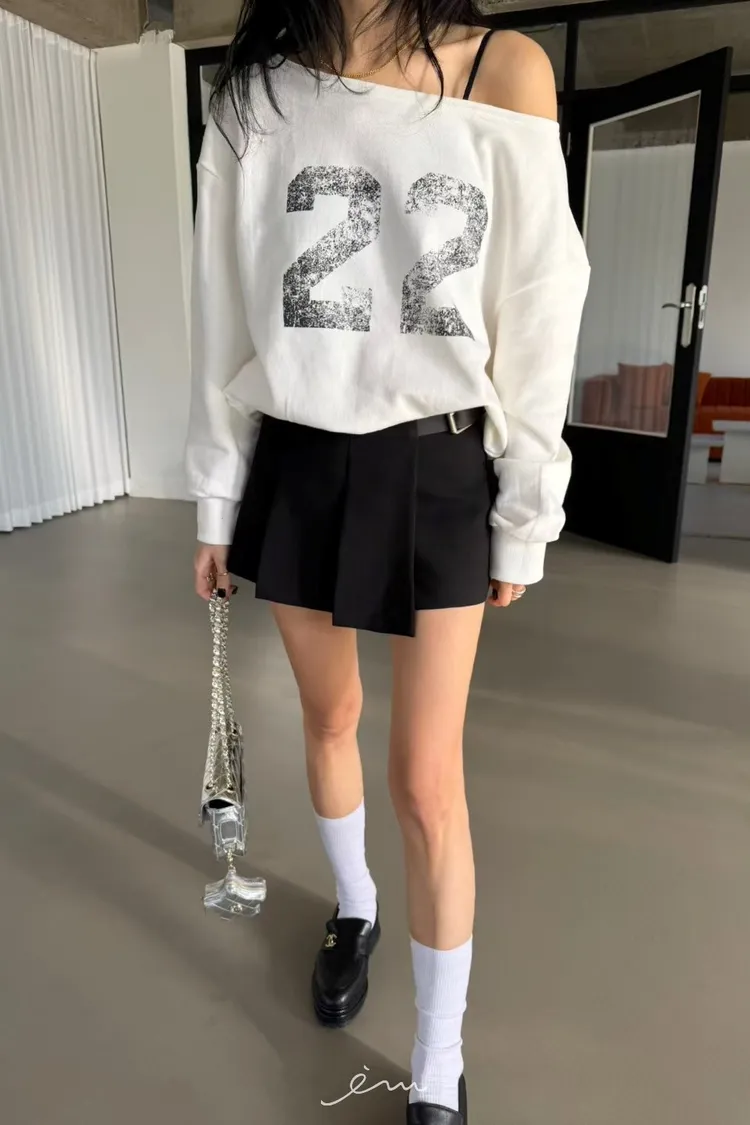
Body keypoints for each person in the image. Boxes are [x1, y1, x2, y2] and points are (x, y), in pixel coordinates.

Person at [186, 2, 589, 1121]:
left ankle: (438, 1061)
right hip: (299, 454)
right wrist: (216, 496)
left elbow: (540, 298)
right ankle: (354, 905)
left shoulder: (502, 68)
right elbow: (220, 304)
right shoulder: (253, 93)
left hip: (439, 460)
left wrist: (527, 506)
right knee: (327, 719)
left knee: (425, 778)